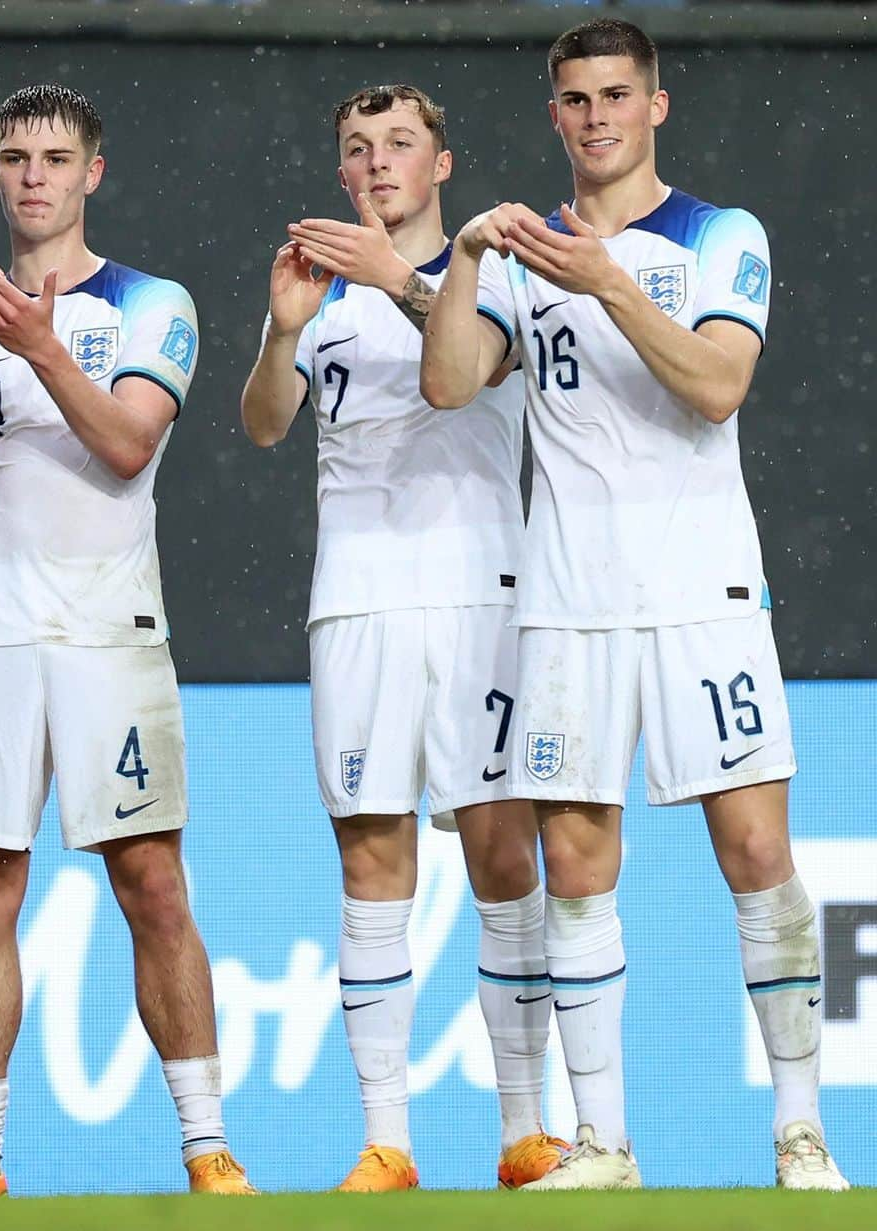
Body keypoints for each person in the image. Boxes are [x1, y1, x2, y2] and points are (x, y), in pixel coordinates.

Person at [421, 18, 848, 1192]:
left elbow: (717, 384)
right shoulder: (519, 254)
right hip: (568, 601)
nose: (597, 116)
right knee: (577, 862)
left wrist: (607, 282)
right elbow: (452, 383)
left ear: (655, 106)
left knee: (757, 849)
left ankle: (801, 1131)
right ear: (553, 115)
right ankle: (605, 1143)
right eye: (575, 99)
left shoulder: (719, 234)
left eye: (617, 95)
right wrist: (461, 263)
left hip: (702, 590)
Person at [0, 83, 254, 1198]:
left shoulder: (153, 307)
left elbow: (129, 444)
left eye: (56, 156)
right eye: (15, 157)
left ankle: (208, 1148)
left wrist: (42, 349)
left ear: (93, 172)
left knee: (150, 880)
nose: (34, 175)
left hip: (109, 630)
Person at [240, 84, 566, 1192]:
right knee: (372, 858)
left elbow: (482, 365)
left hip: (483, 591)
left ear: (442, 164)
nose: (377, 164)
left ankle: (527, 1129)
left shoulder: (506, 272)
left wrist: (405, 282)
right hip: (358, 601)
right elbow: (265, 424)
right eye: (357, 150)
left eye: (399, 146)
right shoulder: (320, 289)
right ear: (342, 173)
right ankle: (388, 1141)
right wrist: (284, 330)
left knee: (499, 852)